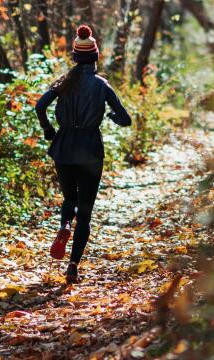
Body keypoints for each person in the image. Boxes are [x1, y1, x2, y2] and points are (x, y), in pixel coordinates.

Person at [34, 25, 132, 283]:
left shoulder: (64, 83)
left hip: (64, 146)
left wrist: (48, 130)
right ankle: (73, 266)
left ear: (75, 57)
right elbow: (126, 119)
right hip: (90, 149)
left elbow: (40, 106)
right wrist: (112, 116)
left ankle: (65, 225)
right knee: (85, 211)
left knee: (69, 199)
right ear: (95, 57)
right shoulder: (102, 85)